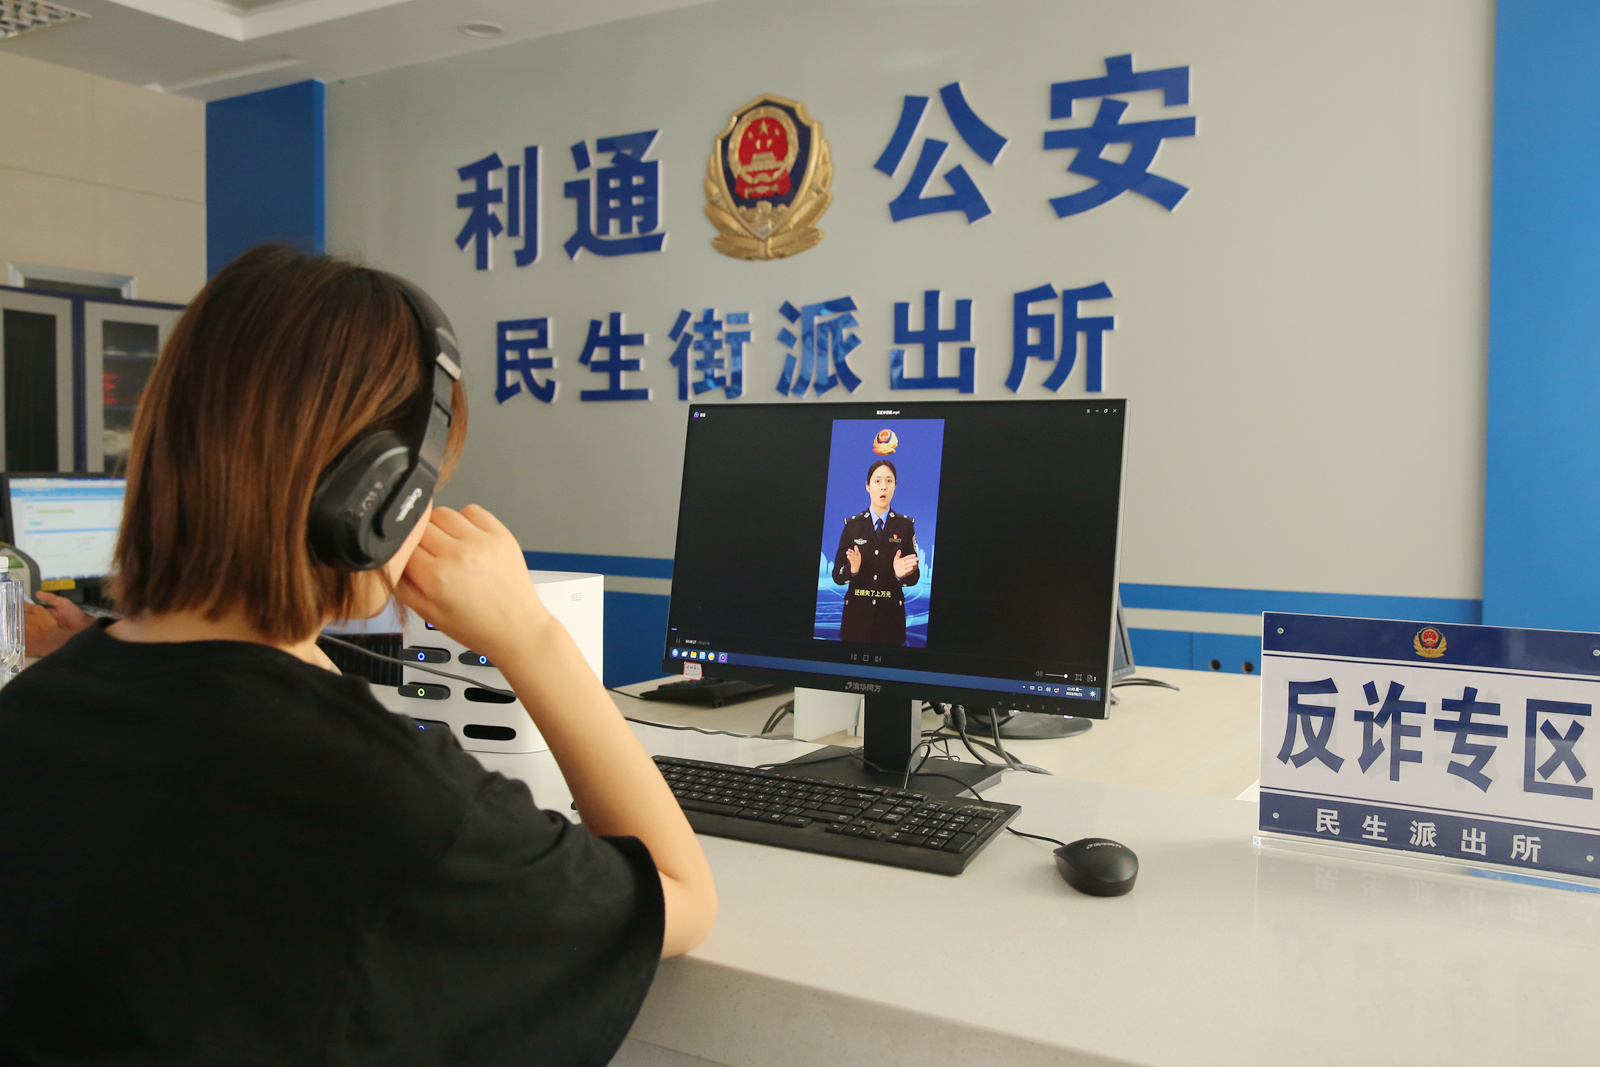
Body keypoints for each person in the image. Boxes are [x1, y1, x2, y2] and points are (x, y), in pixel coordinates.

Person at [0, 245, 715, 1064]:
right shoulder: (400, 805)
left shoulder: (32, 711)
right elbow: (681, 894)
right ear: (377, 498)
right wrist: (530, 632)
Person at [831, 458, 920, 645]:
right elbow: (837, 575)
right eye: (877, 481)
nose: (883, 487)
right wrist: (851, 571)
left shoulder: (905, 526)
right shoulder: (852, 526)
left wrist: (901, 575)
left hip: (891, 622)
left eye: (889, 481)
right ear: (868, 486)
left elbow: (915, 576)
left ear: (895, 486)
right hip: (856, 620)